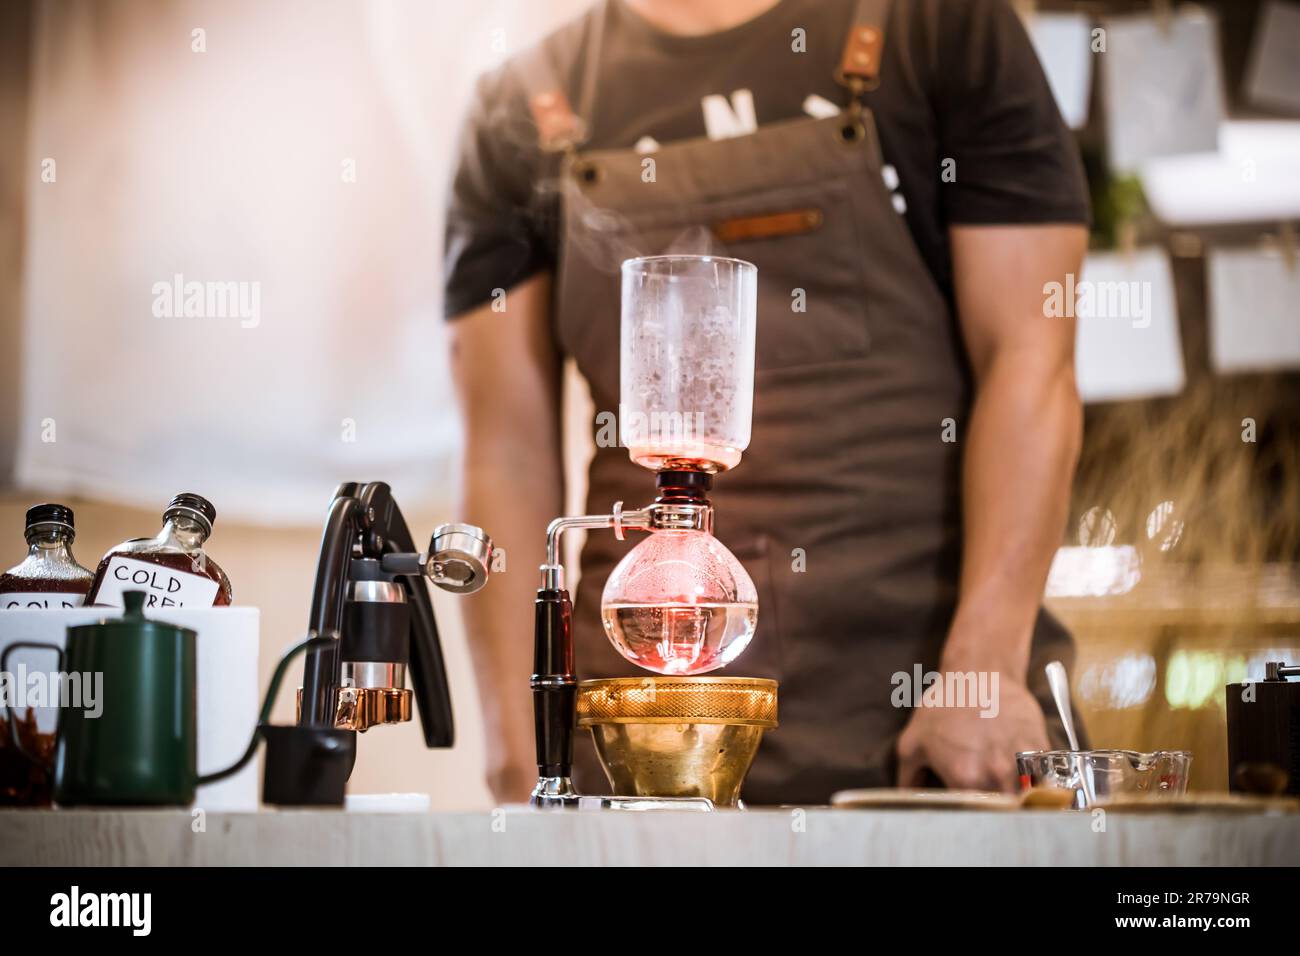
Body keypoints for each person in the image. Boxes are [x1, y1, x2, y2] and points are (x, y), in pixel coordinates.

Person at [445, 0, 1089, 804]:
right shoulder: (521, 102)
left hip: (931, 725)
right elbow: (505, 445)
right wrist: (520, 760)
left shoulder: (938, 24)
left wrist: (981, 675)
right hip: (640, 743)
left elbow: (1031, 359)